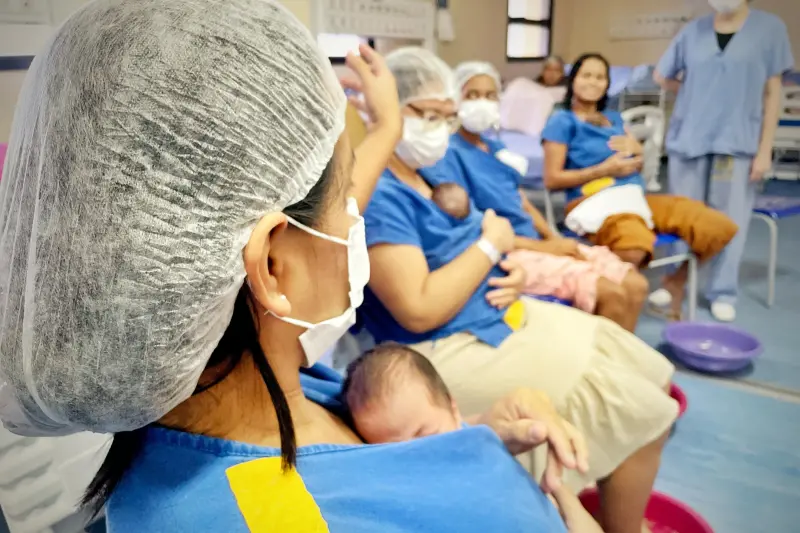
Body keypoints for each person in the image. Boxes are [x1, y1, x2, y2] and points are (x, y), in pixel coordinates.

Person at [0, 2, 595, 532]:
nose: (355, 223)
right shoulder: (280, 510)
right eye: (345, 202)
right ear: (275, 267)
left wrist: (469, 439)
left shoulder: (253, 390)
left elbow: (371, 472)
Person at [363, 45, 680, 533]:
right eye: (427, 115)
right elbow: (419, 310)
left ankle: (603, 488)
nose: (438, 128)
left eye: (445, 116)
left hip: (492, 308)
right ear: (385, 112)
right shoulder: (381, 195)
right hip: (442, 345)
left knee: (648, 372)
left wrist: (503, 266)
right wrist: (491, 249)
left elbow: (481, 235)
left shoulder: (431, 171)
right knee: (645, 416)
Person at [441, 60, 648, 331]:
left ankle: (621, 368)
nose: (483, 102)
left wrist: (555, 239)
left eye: (490, 95)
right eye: (472, 95)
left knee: (636, 285)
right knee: (612, 294)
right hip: (504, 251)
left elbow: (521, 202)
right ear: (454, 99)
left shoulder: (494, 147)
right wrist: (545, 248)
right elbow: (470, 232)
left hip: (536, 240)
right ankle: (595, 369)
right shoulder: (449, 154)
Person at [542, 53, 739, 320]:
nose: (593, 82)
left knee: (717, 226)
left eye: (600, 77)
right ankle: (609, 309)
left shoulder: (614, 117)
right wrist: (604, 170)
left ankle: (675, 282)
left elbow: (637, 162)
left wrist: (639, 153)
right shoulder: (561, 121)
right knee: (633, 246)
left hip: (634, 197)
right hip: (592, 202)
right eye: (586, 75)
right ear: (573, 80)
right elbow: (552, 179)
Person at [653, 0, 794, 322]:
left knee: (728, 222)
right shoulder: (692, 32)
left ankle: (722, 291)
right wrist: (692, 90)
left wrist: (765, 148)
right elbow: (662, 76)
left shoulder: (769, 29)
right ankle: (674, 282)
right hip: (689, 138)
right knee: (683, 218)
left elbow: (774, 92)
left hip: (737, 141)